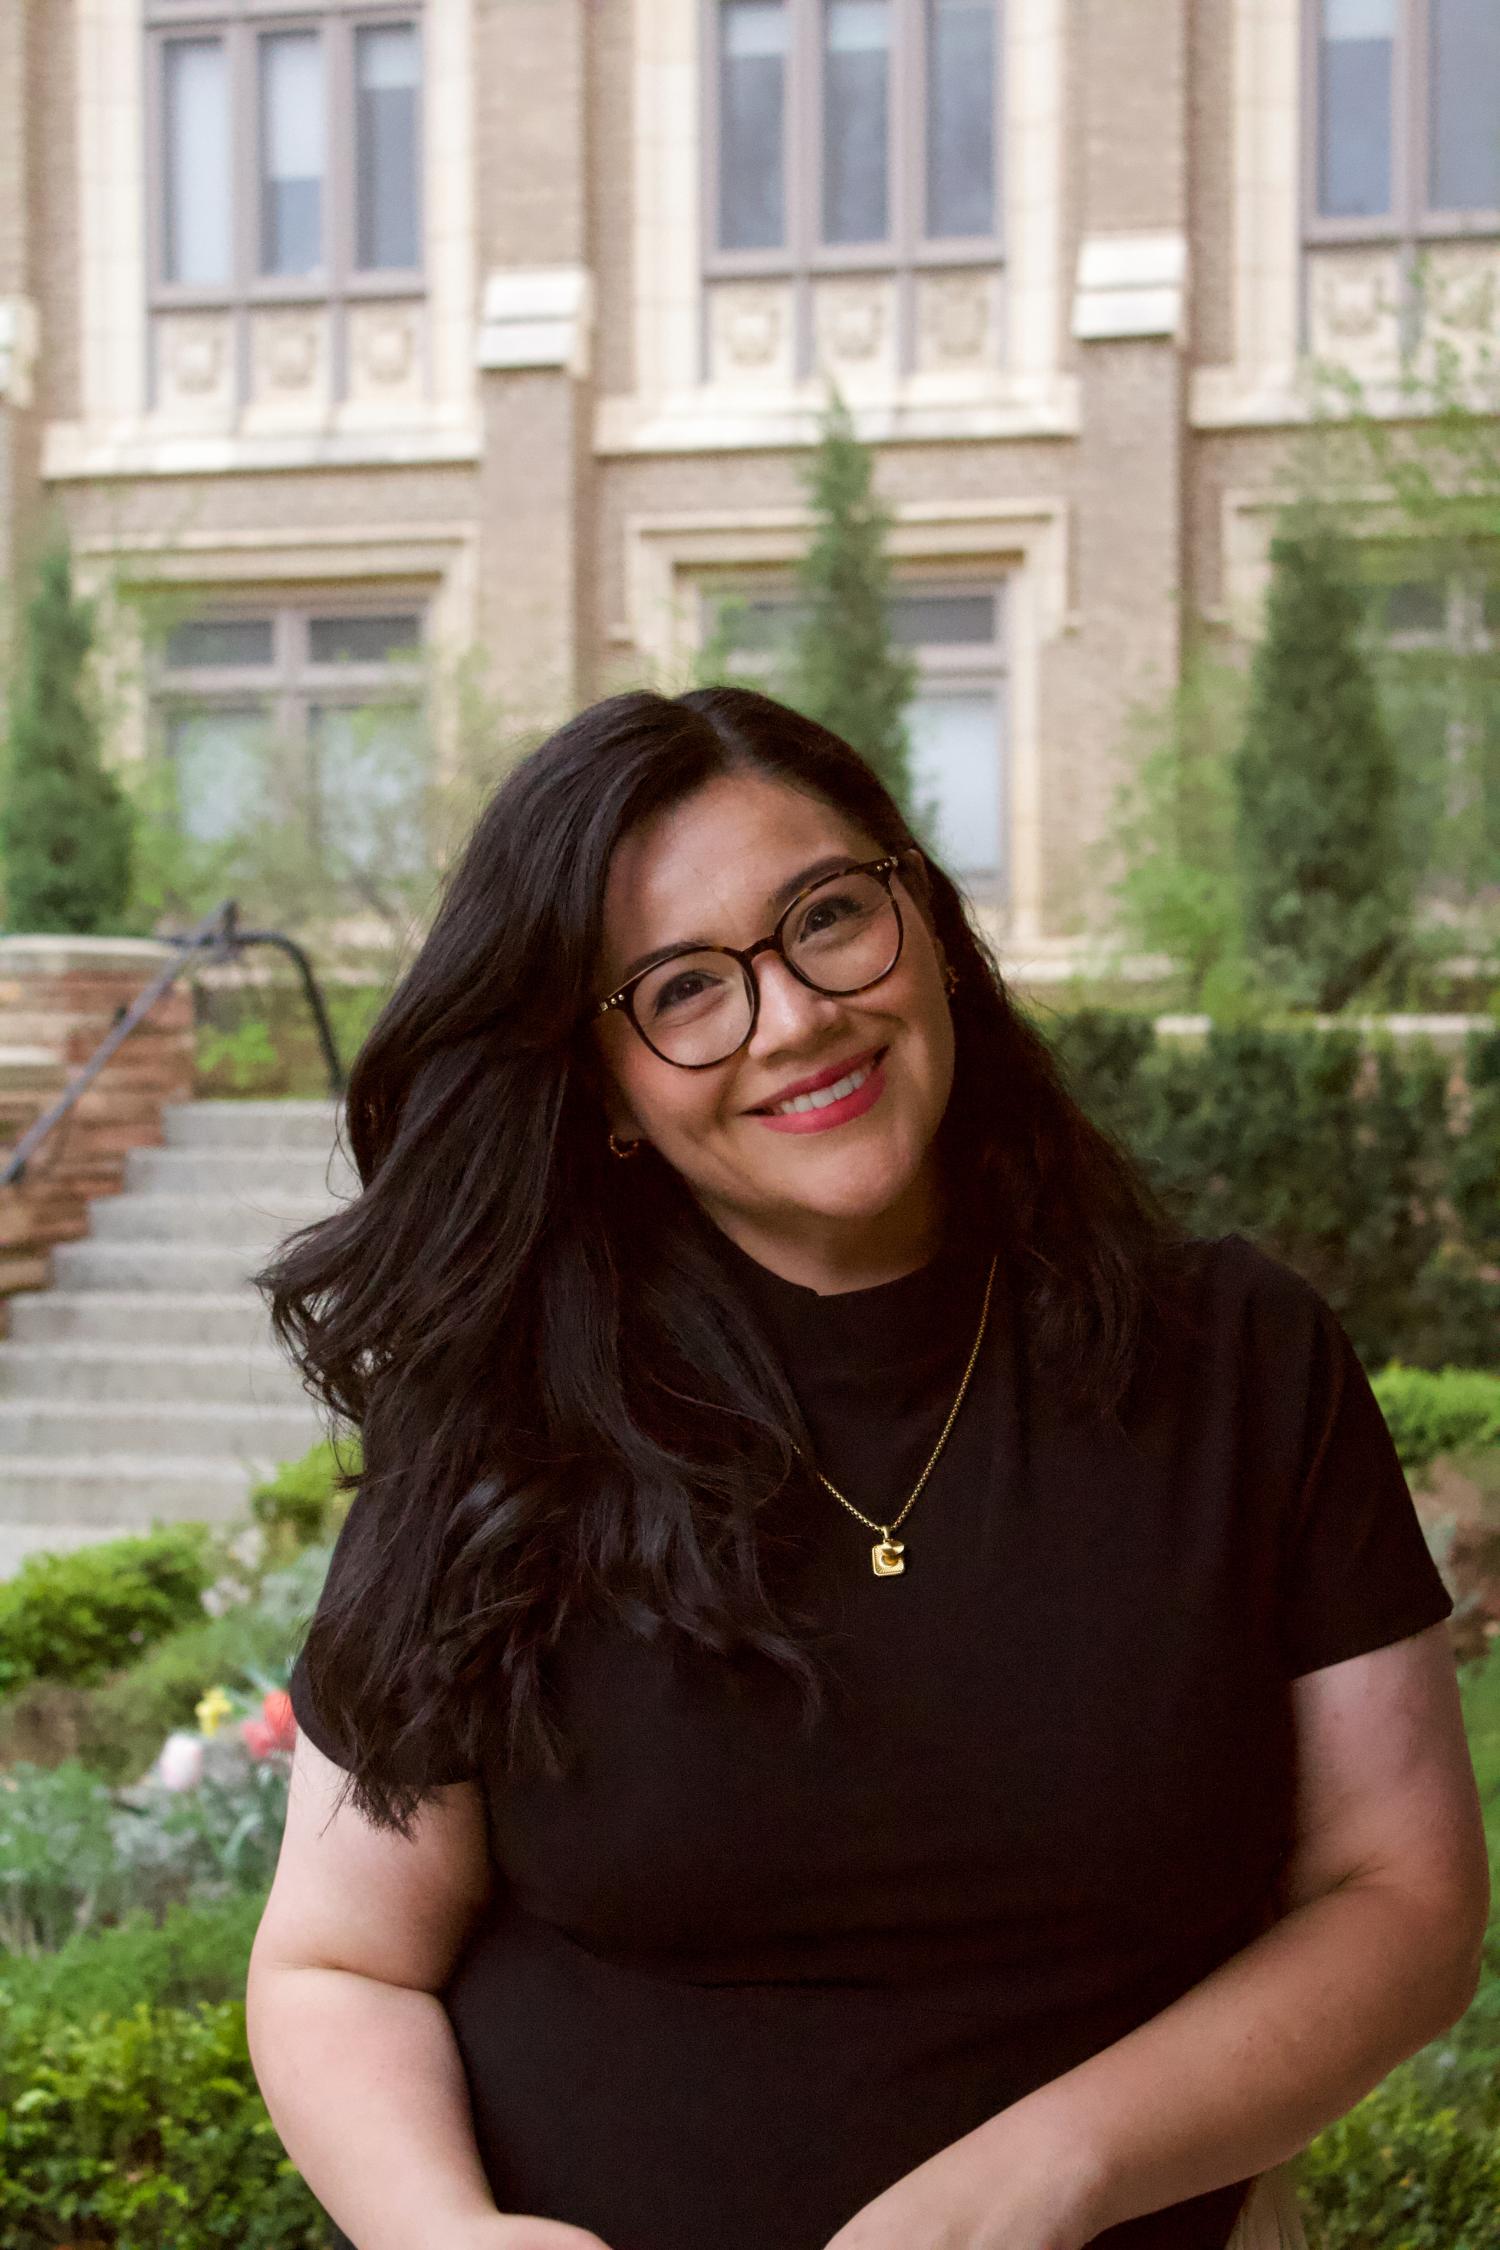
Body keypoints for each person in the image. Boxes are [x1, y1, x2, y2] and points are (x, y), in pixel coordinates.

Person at [245, 686, 1485, 2250]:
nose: (795, 1015)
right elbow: (339, 1961)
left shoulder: (1238, 1360)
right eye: (684, 988)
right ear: (609, 1087)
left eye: (827, 915)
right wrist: (452, 2237)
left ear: (928, 919)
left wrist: (1035, 2185)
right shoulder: (505, 1418)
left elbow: (1406, 1903)